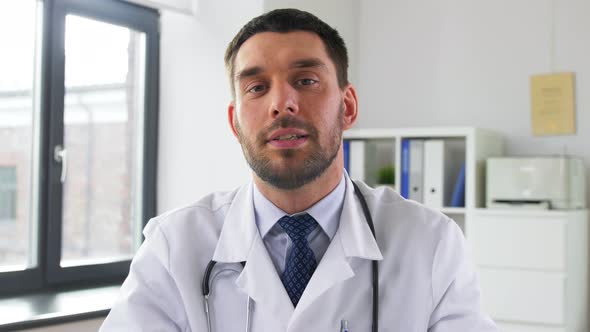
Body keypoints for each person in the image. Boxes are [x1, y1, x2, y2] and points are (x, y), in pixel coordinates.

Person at [100, 8, 497, 332]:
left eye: (305, 80)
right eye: (256, 87)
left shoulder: (431, 244)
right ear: (235, 122)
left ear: (348, 106)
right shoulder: (174, 247)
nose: (282, 103)